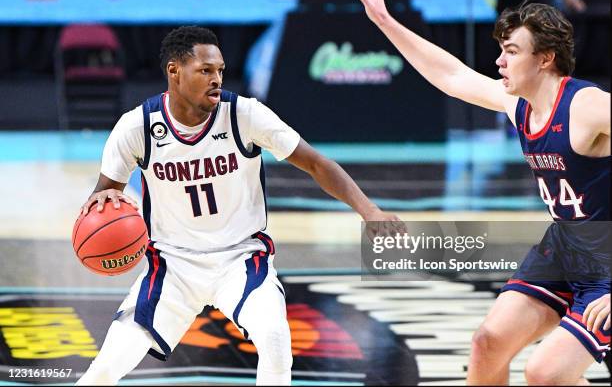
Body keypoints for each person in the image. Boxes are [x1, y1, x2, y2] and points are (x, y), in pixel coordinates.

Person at [75, 26, 399, 386]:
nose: (216, 79)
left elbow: (316, 164)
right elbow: (105, 193)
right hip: (172, 264)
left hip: (241, 259)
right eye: (205, 71)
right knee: (107, 364)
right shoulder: (137, 127)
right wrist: (97, 206)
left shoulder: (244, 115)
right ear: (174, 71)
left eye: (220, 71)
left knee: (276, 343)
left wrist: (369, 210)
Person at [352, 0, 610, 384]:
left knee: (545, 374)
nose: (499, 62)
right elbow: (452, 75)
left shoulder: (589, 106)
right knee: (487, 342)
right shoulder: (518, 105)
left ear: (544, 59)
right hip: (565, 246)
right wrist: (384, 20)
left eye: (511, 52)